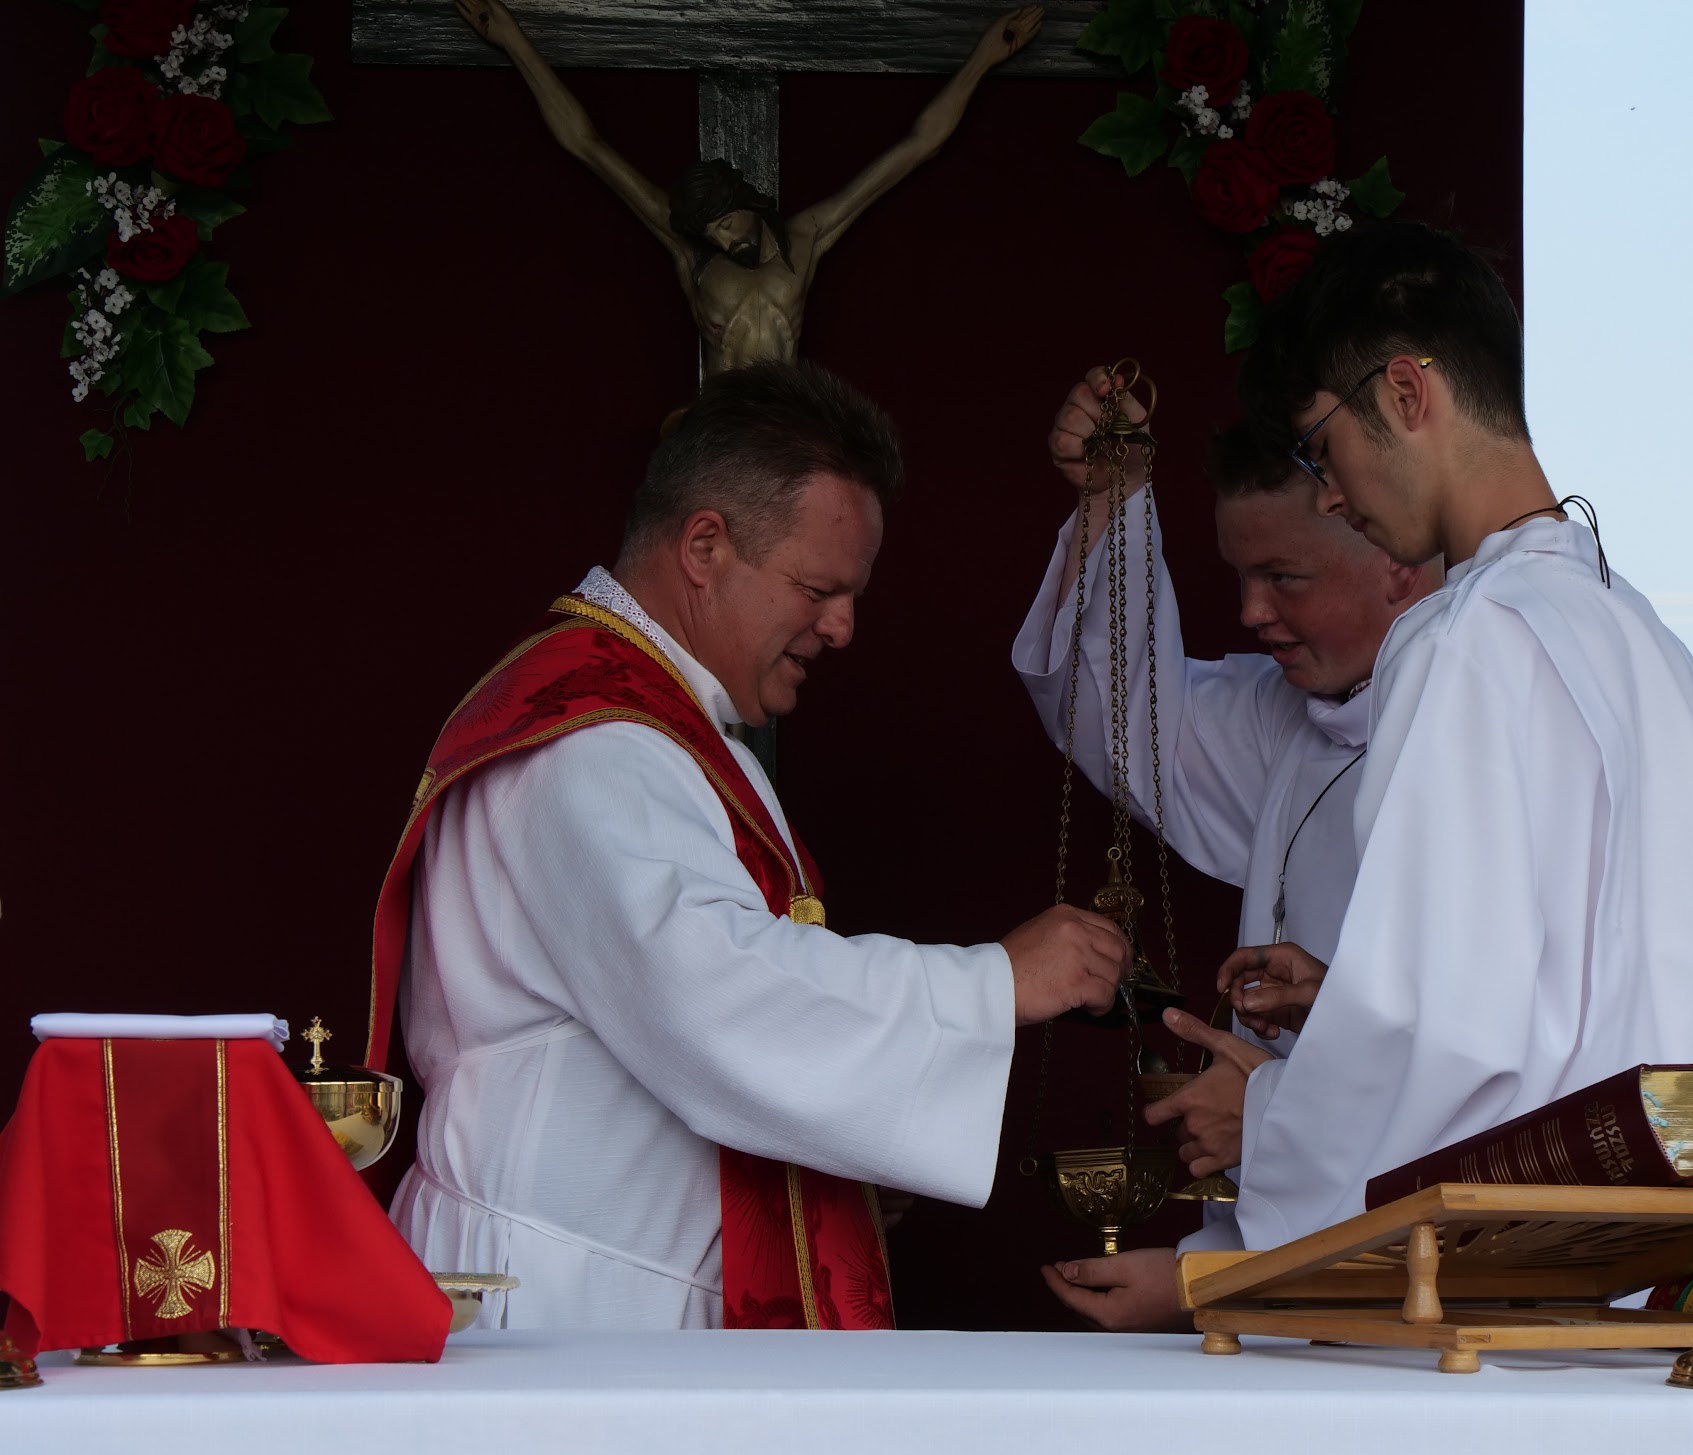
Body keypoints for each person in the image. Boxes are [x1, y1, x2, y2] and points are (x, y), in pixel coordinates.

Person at [1050, 220, 1693, 1328]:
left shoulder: (1463, 640)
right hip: (1608, 1258)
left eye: (1322, 449)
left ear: (1408, 393)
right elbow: (1569, 1002)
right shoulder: (1644, 638)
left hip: (1459, 1286)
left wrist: (1260, 1141)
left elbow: (1451, 1036)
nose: (1330, 493)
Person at [366, 360, 1130, 1329]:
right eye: (818, 588)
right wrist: (991, 985)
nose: (843, 627)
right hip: (569, 1302)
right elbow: (710, 990)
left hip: (607, 1281)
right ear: (705, 546)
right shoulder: (594, 745)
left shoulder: (658, 725)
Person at [1012, 370, 1438, 1297]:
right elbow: (1118, 716)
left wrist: (1269, 1127)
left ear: (1396, 555)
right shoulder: (1288, 718)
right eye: (1242, 575)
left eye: (1283, 576)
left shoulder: (1484, 739)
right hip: (1279, 1265)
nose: (1250, 612)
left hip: (1426, 1275)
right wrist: (1114, 499)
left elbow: (1479, 1056)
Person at [449, 0, 1042, 370]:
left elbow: (916, 146)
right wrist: (513, 40)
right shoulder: (694, 254)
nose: (724, 239)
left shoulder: (806, 238)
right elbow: (587, 146)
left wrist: (983, 58)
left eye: (728, 222)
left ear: (749, 204)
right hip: (722, 431)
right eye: (712, 231)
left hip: (786, 425)